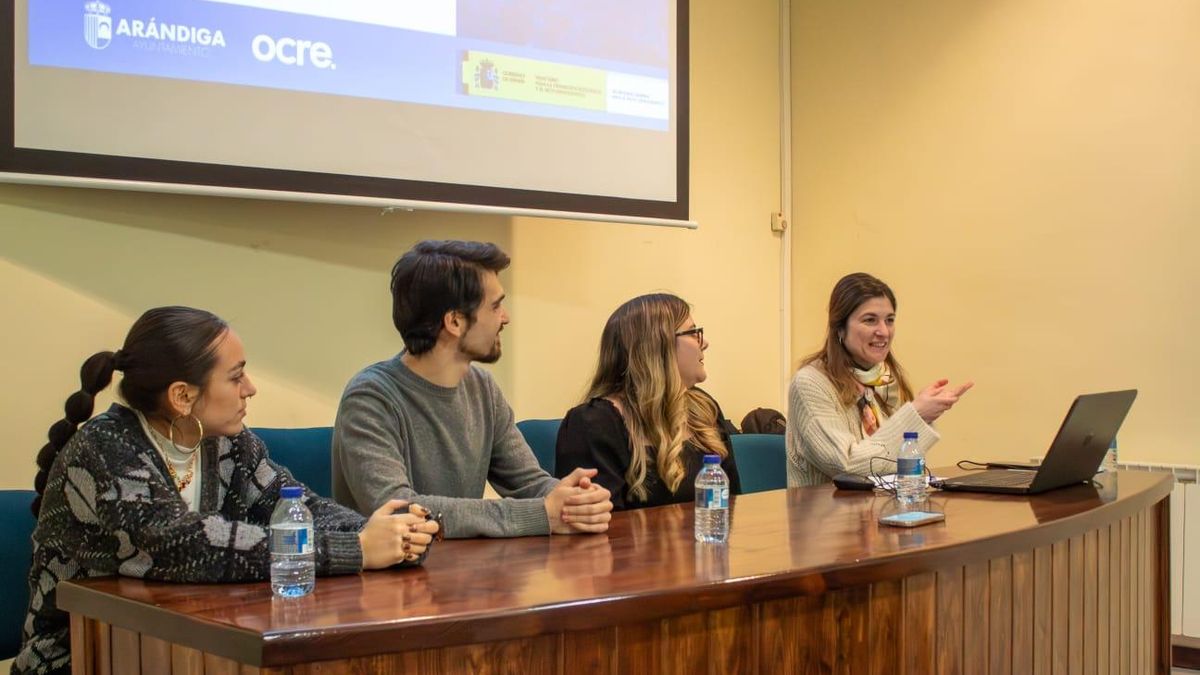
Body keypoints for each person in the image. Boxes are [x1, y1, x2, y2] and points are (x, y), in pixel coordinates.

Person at [13, 307, 439, 675]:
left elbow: (296, 504)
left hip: (187, 650)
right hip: (88, 657)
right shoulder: (106, 449)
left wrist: (390, 532)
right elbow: (184, 545)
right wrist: (357, 549)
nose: (250, 387)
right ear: (182, 395)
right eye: (236, 377)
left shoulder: (227, 441)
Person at [332, 240, 613, 538]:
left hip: (465, 574)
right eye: (495, 306)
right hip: (388, 579)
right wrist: (541, 514)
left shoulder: (483, 388)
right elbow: (401, 511)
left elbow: (528, 482)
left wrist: (575, 500)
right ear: (454, 321)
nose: (505, 317)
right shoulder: (369, 399)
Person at [555, 294, 741, 510]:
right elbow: (598, 527)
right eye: (693, 333)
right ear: (656, 346)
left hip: (705, 543)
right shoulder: (593, 423)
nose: (704, 343)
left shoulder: (704, 408)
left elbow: (732, 507)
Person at [787, 273, 973, 487]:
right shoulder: (810, 383)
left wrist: (923, 416)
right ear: (840, 327)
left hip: (878, 511)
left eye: (889, 320)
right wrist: (916, 414)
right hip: (826, 517)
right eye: (870, 320)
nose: (884, 332)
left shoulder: (885, 382)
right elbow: (846, 467)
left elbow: (901, 465)